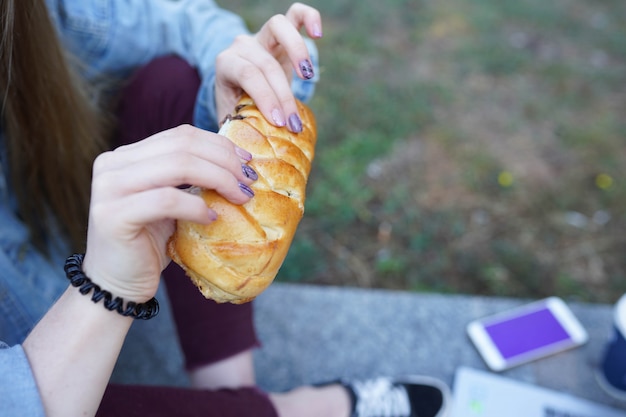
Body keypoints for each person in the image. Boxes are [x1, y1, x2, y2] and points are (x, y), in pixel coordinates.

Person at [0, 1, 451, 416]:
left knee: (170, 82)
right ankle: (292, 409)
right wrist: (105, 287)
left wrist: (247, 70)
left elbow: (179, 20)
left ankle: (226, 386)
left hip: (82, 241)